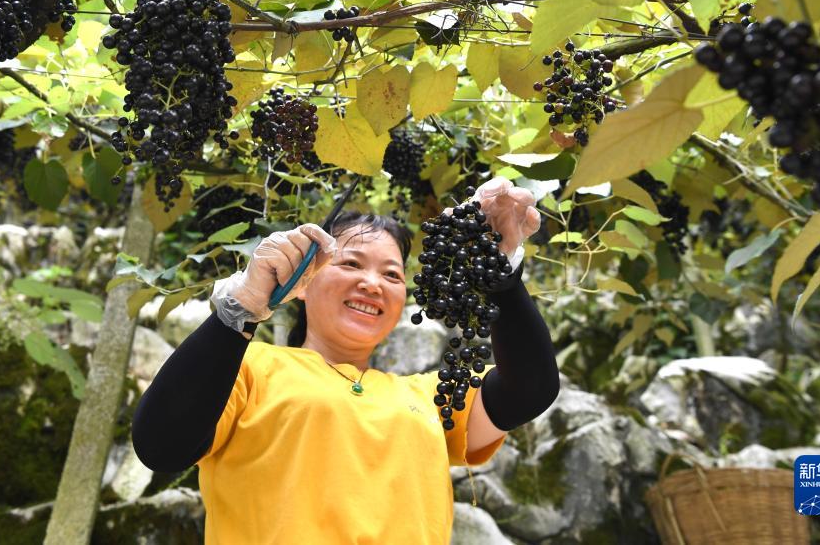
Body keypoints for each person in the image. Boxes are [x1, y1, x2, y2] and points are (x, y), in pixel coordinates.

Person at [132, 177, 561, 544]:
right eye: (351, 263)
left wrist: (499, 275)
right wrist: (239, 310)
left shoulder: (429, 397)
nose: (372, 283)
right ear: (303, 281)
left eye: (392, 275)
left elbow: (530, 388)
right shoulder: (247, 367)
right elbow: (161, 444)